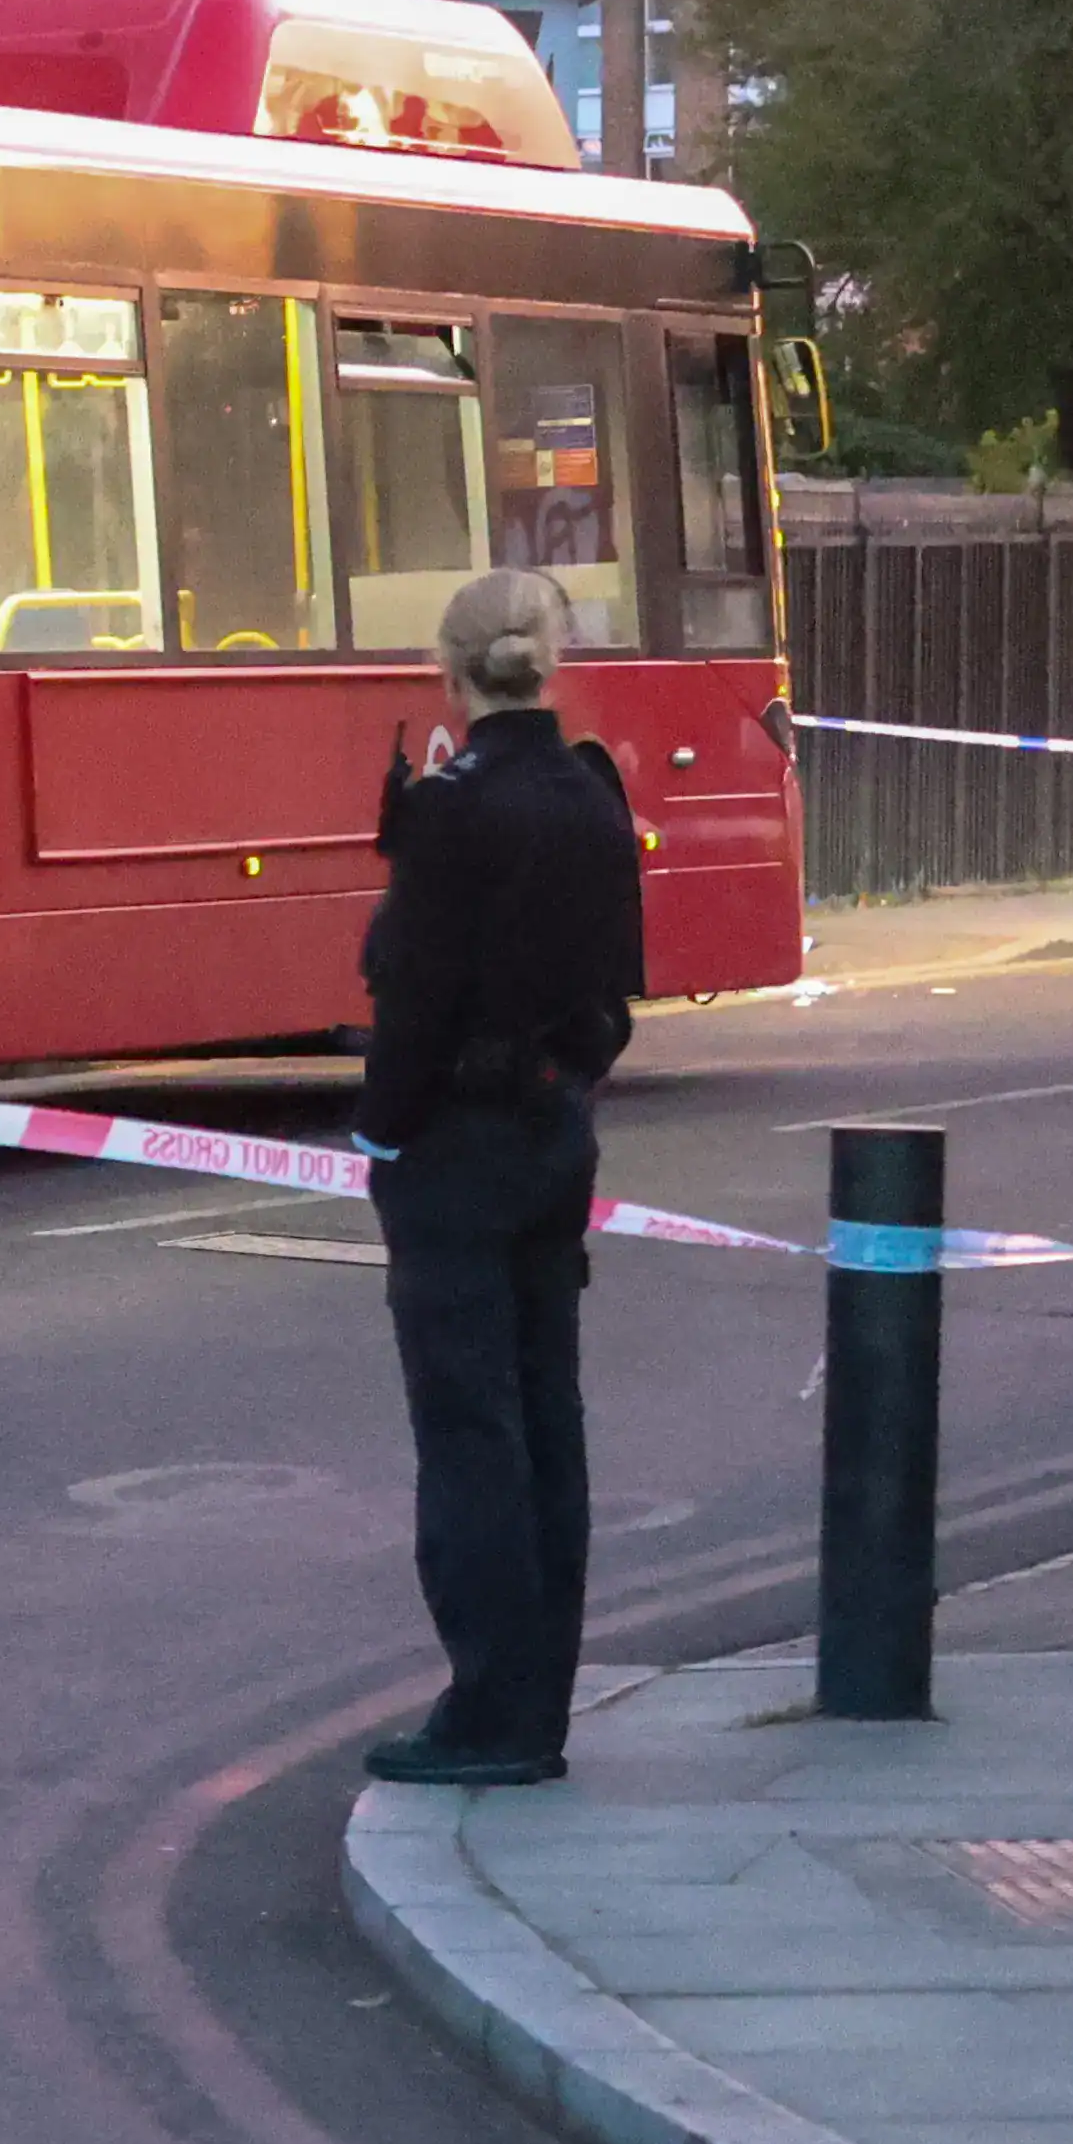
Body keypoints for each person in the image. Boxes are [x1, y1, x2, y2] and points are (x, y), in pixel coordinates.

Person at [355, 565, 647, 1788]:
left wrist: (383, 1135)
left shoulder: (450, 810)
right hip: (552, 1134)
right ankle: (542, 1708)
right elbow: (615, 993)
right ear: (554, 660)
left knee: (471, 1436)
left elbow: (408, 1002)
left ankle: (487, 1711)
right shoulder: (592, 795)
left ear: (450, 671)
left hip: (457, 1150)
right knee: (548, 1420)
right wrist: (564, 1081)